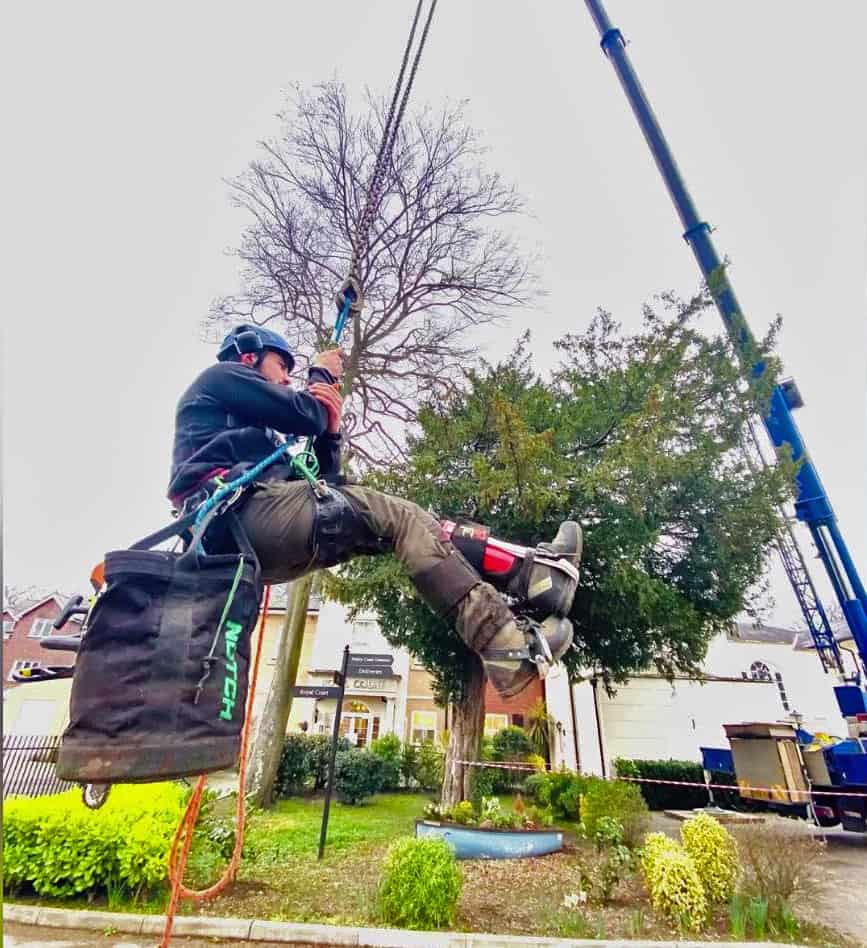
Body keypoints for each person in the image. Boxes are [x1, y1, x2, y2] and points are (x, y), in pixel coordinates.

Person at [168, 324, 582, 698]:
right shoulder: (220, 378)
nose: (285, 378)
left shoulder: (254, 430)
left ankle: (537, 577)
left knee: (419, 528)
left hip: (257, 528)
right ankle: (504, 643)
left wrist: (330, 433)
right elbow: (303, 413)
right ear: (248, 357)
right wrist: (320, 375)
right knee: (401, 517)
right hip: (235, 519)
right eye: (281, 366)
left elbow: (328, 490)